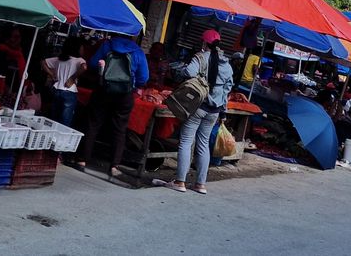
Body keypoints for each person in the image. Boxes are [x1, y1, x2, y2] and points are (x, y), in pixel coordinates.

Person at [165, 30, 233, 195]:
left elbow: (189, 73)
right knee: (203, 145)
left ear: (204, 43)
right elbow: (227, 90)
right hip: (214, 111)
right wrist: (222, 111)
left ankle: (180, 181)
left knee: (186, 142)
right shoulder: (227, 65)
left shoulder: (201, 57)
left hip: (199, 107)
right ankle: (200, 184)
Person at [75, 35, 149, 178]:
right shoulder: (138, 52)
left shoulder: (107, 45)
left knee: (93, 123)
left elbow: (93, 63)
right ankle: (114, 166)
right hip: (125, 94)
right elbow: (143, 78)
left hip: (103, 89)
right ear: (135, 36)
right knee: (120, 129)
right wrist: (134, 85)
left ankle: (83, 159)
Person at [42, 36, 86, 128]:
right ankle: (62, 140)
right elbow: (84, 67)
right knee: (65, 121)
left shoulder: (59, 59)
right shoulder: (79, 60)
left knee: (54, 118)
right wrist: (72, 78)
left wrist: (52, 74)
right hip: (69, 92)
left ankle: (52, 138)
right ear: (77, 48)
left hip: (56, 90)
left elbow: (43, 62)